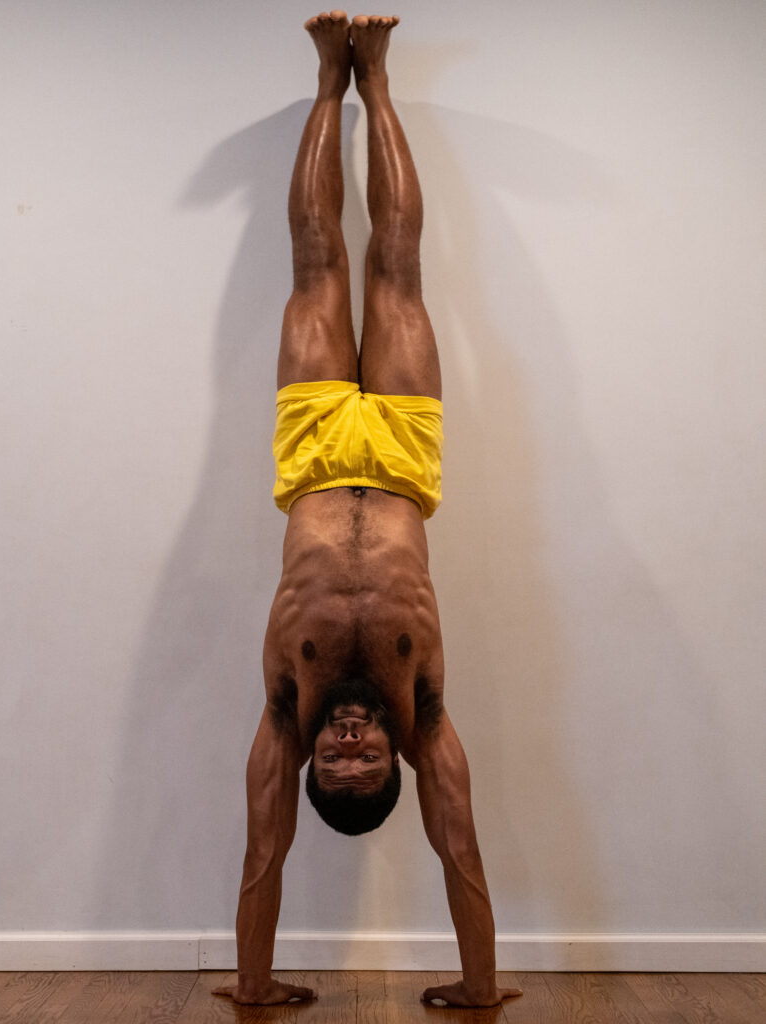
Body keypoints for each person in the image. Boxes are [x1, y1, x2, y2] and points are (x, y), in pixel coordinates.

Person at [214, 12, 522, 1010]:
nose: (348, 745)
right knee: (396, 263)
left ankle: (325, 78)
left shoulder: (284, 711)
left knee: (315, 261)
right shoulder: (425, 713)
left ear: (313, 759)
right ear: (396, 759)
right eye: (366, 761)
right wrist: (480, 989)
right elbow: (460, 847)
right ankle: (376, 79)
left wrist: (253, 987)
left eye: (335, 761)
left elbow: (263, 852)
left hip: (311, 460)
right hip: (400, 459)